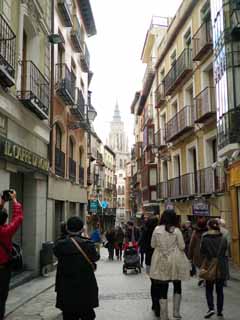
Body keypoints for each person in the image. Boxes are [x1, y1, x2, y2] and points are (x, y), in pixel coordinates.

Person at [54, 216, 100, 320]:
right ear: (82, 229)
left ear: (67, 229)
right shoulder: (88, 244)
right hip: (85, 290)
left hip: (66, 290)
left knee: (69, 316)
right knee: (88, 315)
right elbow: (96, 257)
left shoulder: (60, 245)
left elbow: (56, 251)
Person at [150, 210, 190, 320]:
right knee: (177, 284)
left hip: (160, 259)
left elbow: (152, 245)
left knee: (163, 286)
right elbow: (182, 247)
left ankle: (164, 315)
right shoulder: (176, 230)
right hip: (175, 260)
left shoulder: (156, 229)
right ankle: (176, 312)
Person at [0, 190, 23, 320]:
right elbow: (18, 217)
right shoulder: (6, 231)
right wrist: (14, 200)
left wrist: (3, 201)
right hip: (3, 271)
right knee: (1, 298)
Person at [200, 218, 228, 319]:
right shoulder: (224, 237)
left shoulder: (205, 237)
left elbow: (202, 251)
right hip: (221, 266)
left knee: (209, 288)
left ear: (209, 226)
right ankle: (220, 311)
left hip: (209, 265)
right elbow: (226, 251)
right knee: (220, 290)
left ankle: (211, 308)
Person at [144, 215, 160, 317]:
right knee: (160, 283)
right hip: (159, 260)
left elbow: (143, 245)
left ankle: (155, 304)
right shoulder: (159, 232)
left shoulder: (145, 232)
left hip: (149, 260)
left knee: (153, 283)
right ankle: (158, 304)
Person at [188, 216, 208, 286]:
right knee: (206, 266)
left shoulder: (195, 232)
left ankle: (201, 278)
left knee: (199, 266)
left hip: (198, 253)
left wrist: (189, 256)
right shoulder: (208, 232)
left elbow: (191, 244)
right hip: (207, 252)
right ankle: (204, 279)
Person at [218, 218, 231, 285]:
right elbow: (228, 242)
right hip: (224, 252)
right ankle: (224, 280)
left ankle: (219, 279)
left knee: (218, 266)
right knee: (225, 266)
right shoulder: (226, 231)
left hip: (216, 252)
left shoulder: (216, 231)